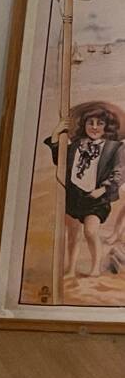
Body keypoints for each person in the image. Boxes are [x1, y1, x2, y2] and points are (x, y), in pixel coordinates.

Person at [45, 107, 124, 279]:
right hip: (74, 194)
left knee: (90, 231)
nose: (94, 127)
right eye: (90, 123)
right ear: (84, 125)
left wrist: (102, 189)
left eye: (100, 123)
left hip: (97, 196)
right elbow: (60, 160)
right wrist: (56, 134)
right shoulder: (76, 144)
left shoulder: (114, 147)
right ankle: (71, 269)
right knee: (73, 234)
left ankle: (95, 268)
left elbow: (120, 173)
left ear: (107, 126)